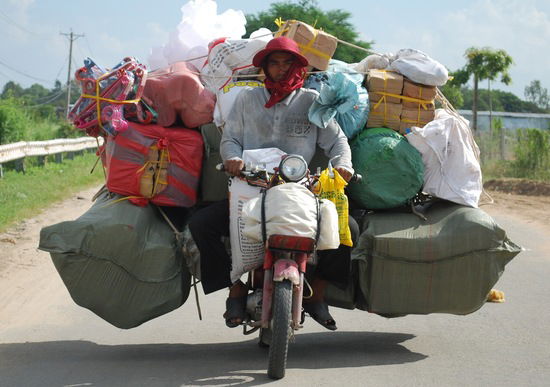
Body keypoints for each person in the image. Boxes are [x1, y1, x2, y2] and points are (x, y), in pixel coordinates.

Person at [189, 36, 356, 331]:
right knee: (202, 224)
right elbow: (231, 139)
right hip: (252, 186)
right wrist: (232, 159)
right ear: (265, 68)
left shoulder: (312, 102)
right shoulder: (246, 99)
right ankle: (235, 288)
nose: (280, 69)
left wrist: (343, 166)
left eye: (287, 63)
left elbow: (337, 141)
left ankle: (317, 293)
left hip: (300, 189)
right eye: (274, 63)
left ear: (299, 68)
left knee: (347, 229)